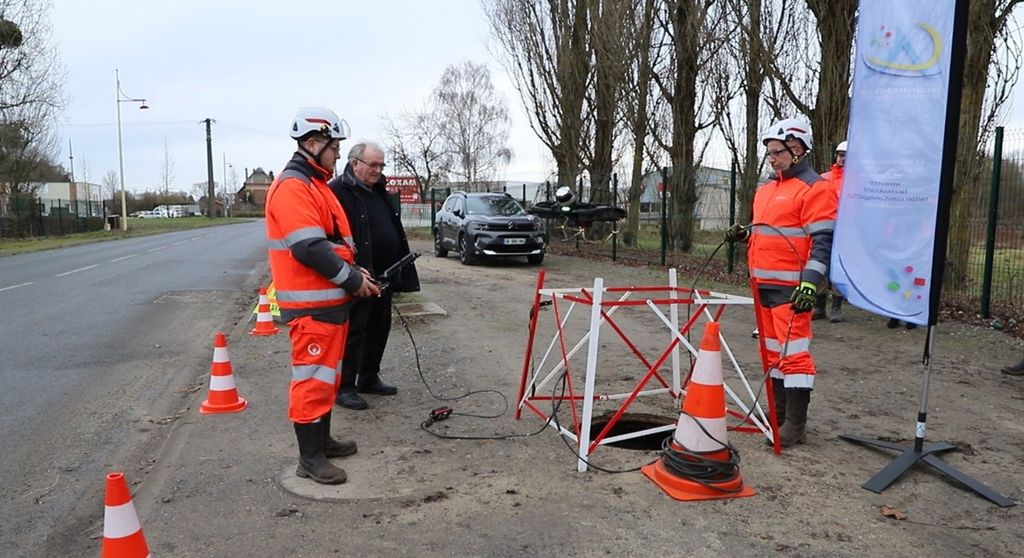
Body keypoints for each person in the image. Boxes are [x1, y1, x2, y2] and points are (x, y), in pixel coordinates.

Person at [265, 107, 380, 484]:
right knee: (313, 380)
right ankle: (309, 458)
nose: (337, 155)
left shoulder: (314, 184)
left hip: (328, 303)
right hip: (312, 307)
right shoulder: (294, 187)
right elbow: (309, 248)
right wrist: (351, 280)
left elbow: (333, 243)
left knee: (326, 379)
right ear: (312, 144)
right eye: (333, 147)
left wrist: (354, 270)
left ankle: (323, 441)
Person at [724, 117, 836, 447]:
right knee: (772, 353)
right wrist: (746, 234)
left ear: (798, 149)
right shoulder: (765, 191)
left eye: (777, 152)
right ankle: (778, 414)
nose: (771, 159)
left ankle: (795, 426)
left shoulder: (816, 189)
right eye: (769, 153)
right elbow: (770, 234)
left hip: (793, 290)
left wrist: (810, 283)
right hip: (763, 285)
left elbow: (823, 241)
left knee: (795, 355)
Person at [329, 142, 420, 410]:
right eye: (373, 165)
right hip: (357, 275)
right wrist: (352, 270)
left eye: (382, 165)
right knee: (354, 332)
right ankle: (345, 387)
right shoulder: (337, 191)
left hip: (385, 273)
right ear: (355, 163)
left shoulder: (379, 191)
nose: (378, 170)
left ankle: (368, 377)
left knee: (380, 327)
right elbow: (331, 235)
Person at [815, 141, 848, 323]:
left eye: (846, 155)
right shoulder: (824, 178)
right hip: (823, 228)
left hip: (845, 231)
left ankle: (836, 308)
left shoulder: (856, 180)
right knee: (820, 265)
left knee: (839, 268)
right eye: (840, 154)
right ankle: (819, 307)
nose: (842, 158)